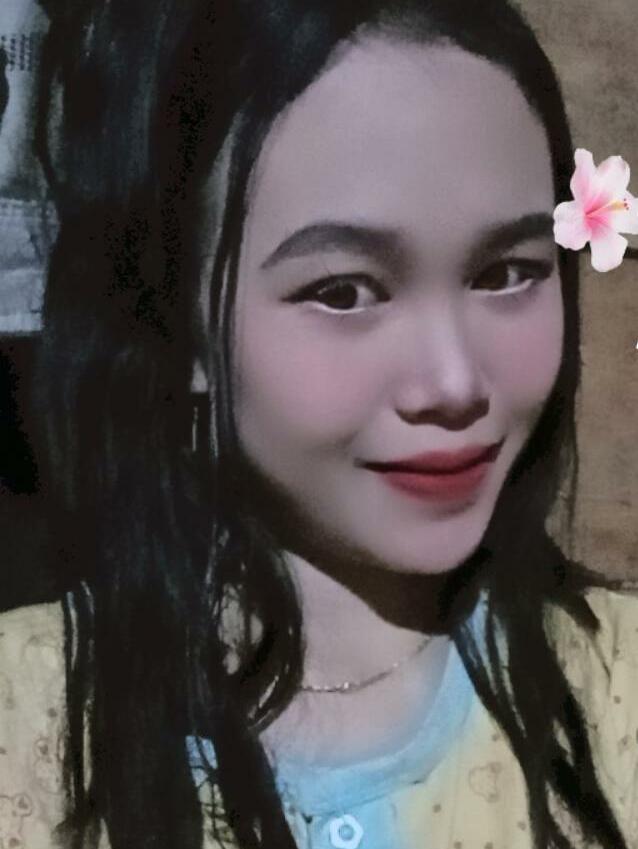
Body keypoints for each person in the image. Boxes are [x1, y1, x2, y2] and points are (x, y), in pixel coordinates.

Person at [1, 1, 637, 847]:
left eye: (507, 272)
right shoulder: (27, 714)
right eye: (343, 291)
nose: (453, 383)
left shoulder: (617, 687)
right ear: (180, 323)